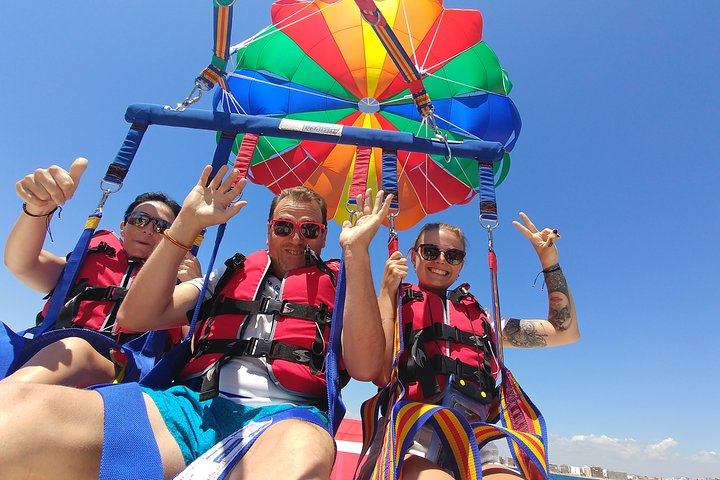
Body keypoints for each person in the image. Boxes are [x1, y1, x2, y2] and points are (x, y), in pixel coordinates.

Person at [0, 164, 391, 480]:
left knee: (302, 454)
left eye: (310, 230)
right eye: (284, 227)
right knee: (17, 414)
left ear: (323, 237)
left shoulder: (343, 285)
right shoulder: (229, 273)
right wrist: (185, 224)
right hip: (190, 408)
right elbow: (135, 317)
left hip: (285, 419)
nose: (296, 238)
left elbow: (368, 367)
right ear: (268, 230)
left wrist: (358, 254)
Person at [360, 213, 580, 480]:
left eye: (452, 256)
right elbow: (381, 375)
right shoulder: (395, 304)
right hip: (408, 438)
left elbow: (563, 331)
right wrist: (386, 292)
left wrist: (549, 261)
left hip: (474, 444)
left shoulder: (484, 321)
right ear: (414, 256)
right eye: (430, 251)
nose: (441, 260)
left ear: (461, 266)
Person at [1, 157, 200, 387]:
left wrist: (195, 290)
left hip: (126, 366)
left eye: (160, 227)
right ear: (123, 227)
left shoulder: (178, 283)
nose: (147, 230)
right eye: (140, 220)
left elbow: (193, 346)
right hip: (49, 346)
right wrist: (37, 210)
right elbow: (22, 263)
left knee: (77, 352)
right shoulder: (87, 258)